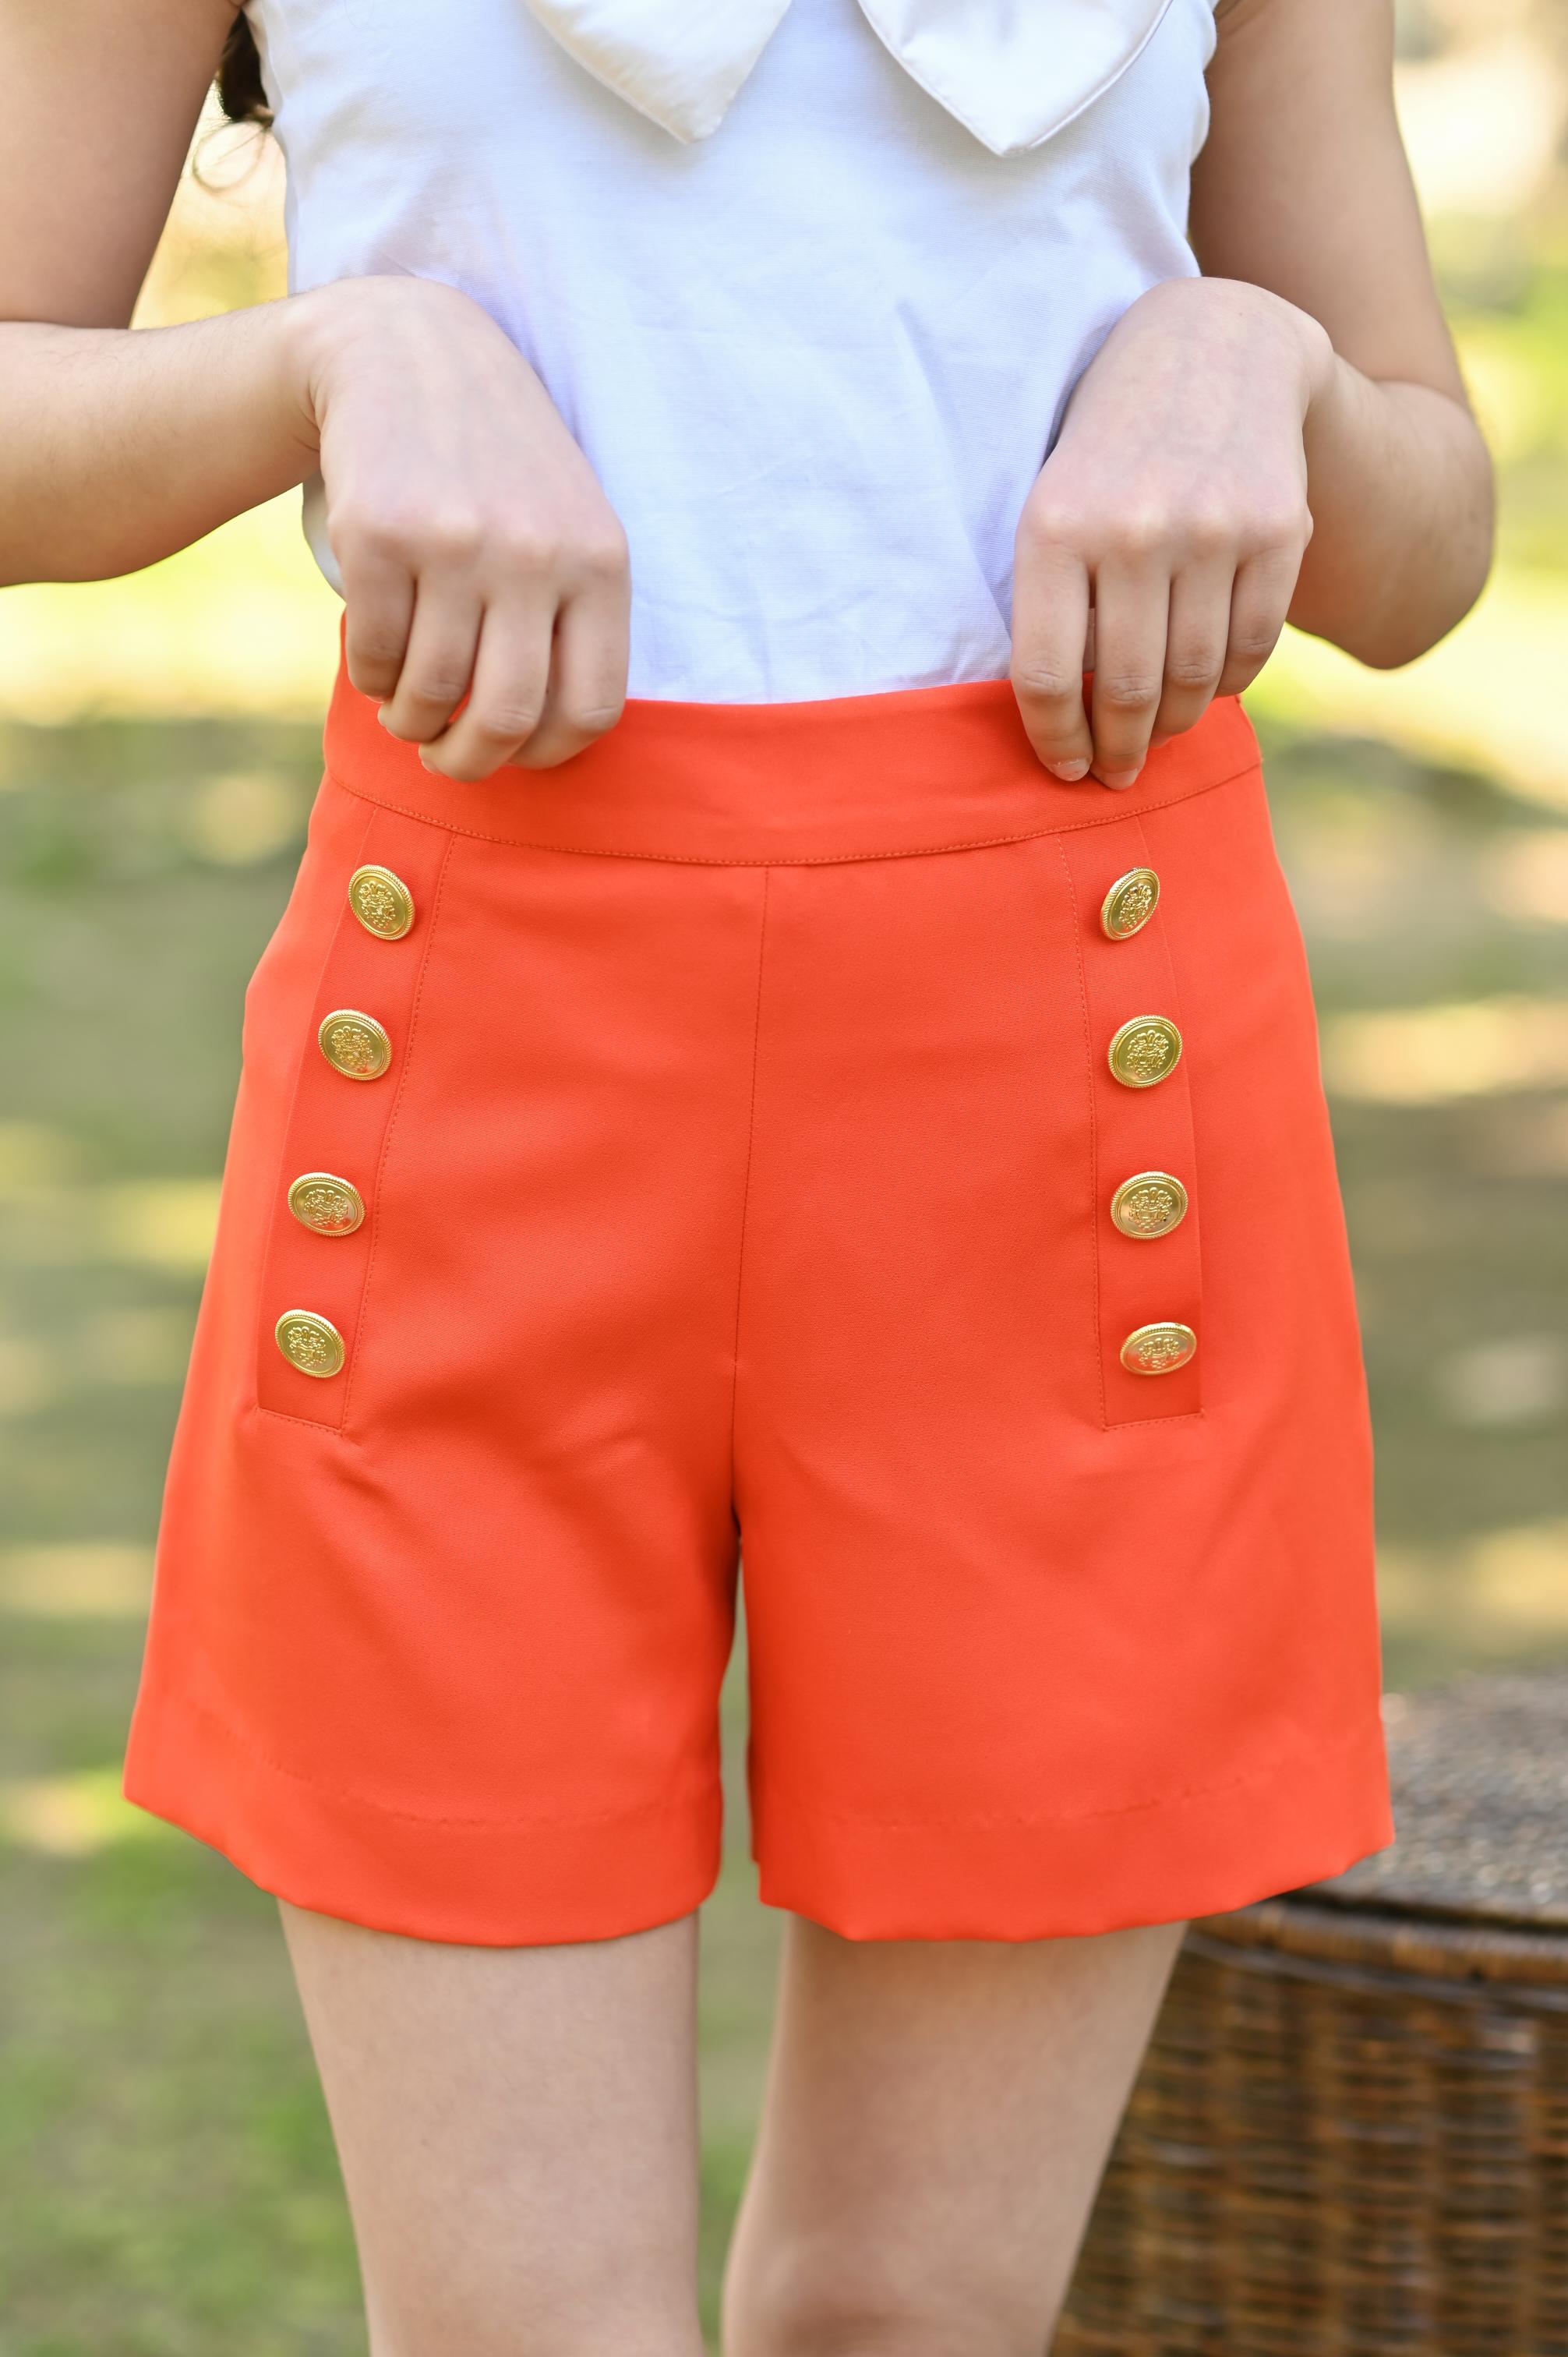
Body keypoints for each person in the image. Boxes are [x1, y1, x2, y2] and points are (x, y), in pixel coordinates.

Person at [2, 1, 1492, 2348]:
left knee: (910, 2321)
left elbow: (1422, 539)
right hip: (482, 1052)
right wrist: (333, 357)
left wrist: (1256, 359)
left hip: (1072, 1075)